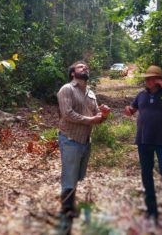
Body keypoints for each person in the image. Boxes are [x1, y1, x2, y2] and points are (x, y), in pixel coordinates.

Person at [124, 65, 162, 224]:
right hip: (143, 141)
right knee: (146, 174)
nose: (149, 80)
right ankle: (152, 211)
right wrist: (129, 111)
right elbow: (132, 109)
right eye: (147, 77)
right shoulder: (141, 95)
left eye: (153, 77)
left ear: (159, 79)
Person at [57, 61, 110, 219]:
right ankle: (66, 211)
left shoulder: (91, 93)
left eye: (86, 67)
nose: (85, 68)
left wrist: (104, 115)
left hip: (85, 140)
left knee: (78, 175)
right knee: (69, 176)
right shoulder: (67, 89)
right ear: (73, 73)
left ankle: (69, 203)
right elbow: (67, 114)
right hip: (70, 139)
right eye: (80, 67)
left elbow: (97, 118)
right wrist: (91, 120)